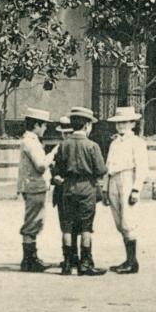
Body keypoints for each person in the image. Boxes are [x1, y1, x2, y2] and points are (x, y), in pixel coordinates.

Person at [52, 107, 108, 276]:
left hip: (68, 188)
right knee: (86, 226)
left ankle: (67, 263)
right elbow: (101, 169)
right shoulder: (92, 146)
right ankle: (85, 263)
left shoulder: (63, 145)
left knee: (67, 226)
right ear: (86, 125)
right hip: (86, 188)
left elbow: (58, 169)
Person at [103, 107, 149, 274]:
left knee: (128, 221)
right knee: (119, 221)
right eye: (118, 122)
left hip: (128, 179)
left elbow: (142, 167)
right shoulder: (114, 143)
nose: (121, 125)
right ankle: (127, 260)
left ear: (132, 123)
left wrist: (136, 189)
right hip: (114, 179)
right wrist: (105, 188)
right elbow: (108, 166)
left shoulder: (137, 143)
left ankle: (132, 261)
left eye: (125, 122)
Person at [17, 108, 56, 272]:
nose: (45, 128)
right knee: (33, 222)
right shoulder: (31, 142)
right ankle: (29, 259)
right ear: (37, 125)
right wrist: (53, 154)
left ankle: (31, 257)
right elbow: (40, 165)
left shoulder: (30, 140)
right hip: (35, 185)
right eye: (44, 125)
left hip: (33, 185)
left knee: (35, 221)